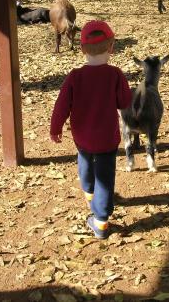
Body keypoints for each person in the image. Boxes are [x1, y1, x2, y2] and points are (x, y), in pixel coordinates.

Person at [50, 20, 132, 239]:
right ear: (112, 47)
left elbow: (61, 106)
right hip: (107, 138)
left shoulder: (74, 77)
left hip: (83, 137)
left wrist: (55, 128)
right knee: (105, 176)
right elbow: (125, 103)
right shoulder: (115, 75)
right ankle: (101, 221)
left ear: (82, 49)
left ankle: (91, 199)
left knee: (85, 164)